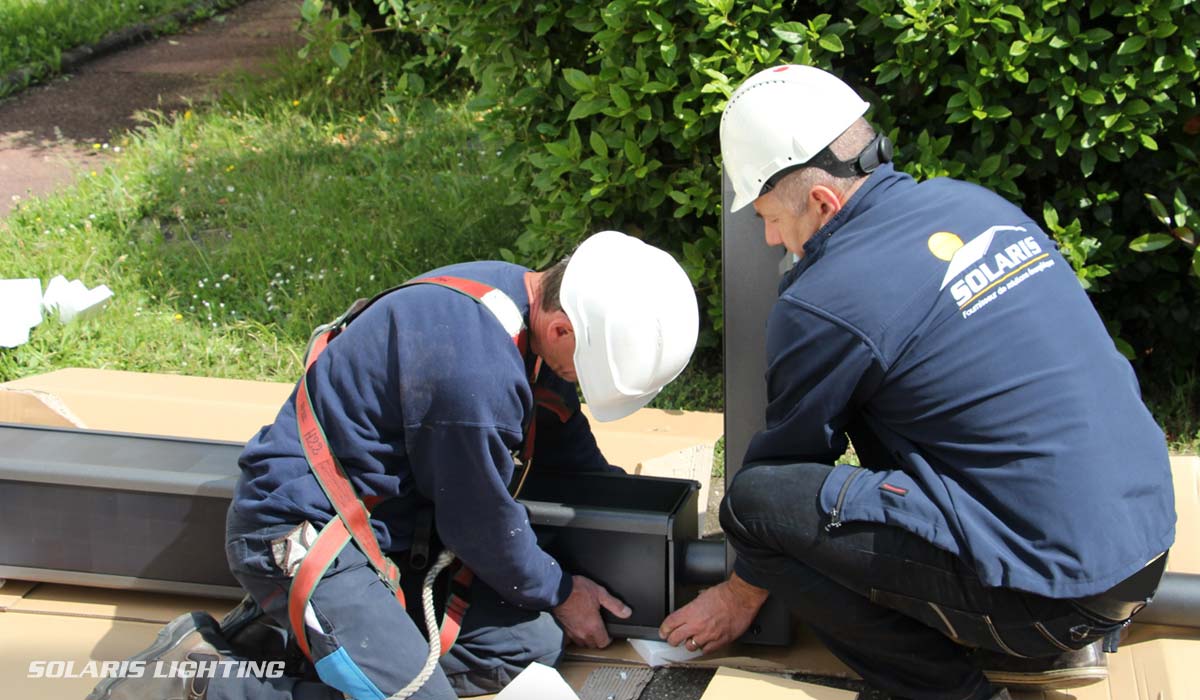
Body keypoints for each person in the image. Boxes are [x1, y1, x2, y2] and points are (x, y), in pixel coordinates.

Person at [658, 65, 1176, 700]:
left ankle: (946, 689)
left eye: (767, 215)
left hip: (1052, 603)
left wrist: (740, 595)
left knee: (752, 505)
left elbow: (785, 481)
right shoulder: (973, 203)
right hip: (1146, 546)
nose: (769, 237)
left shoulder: (824, 301)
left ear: (822, 202)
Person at [88, 230, 699, 700]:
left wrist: (637, 535)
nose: (578, 385)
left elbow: (566, 446)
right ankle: (202, 681)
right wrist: (562, 590)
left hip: (390, 538)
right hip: (301, 532)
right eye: (582, 371)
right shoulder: (475, 372)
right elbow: (481, 526)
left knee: (529, 642)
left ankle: (282, 643)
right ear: (563, 328)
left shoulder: (521, 305)